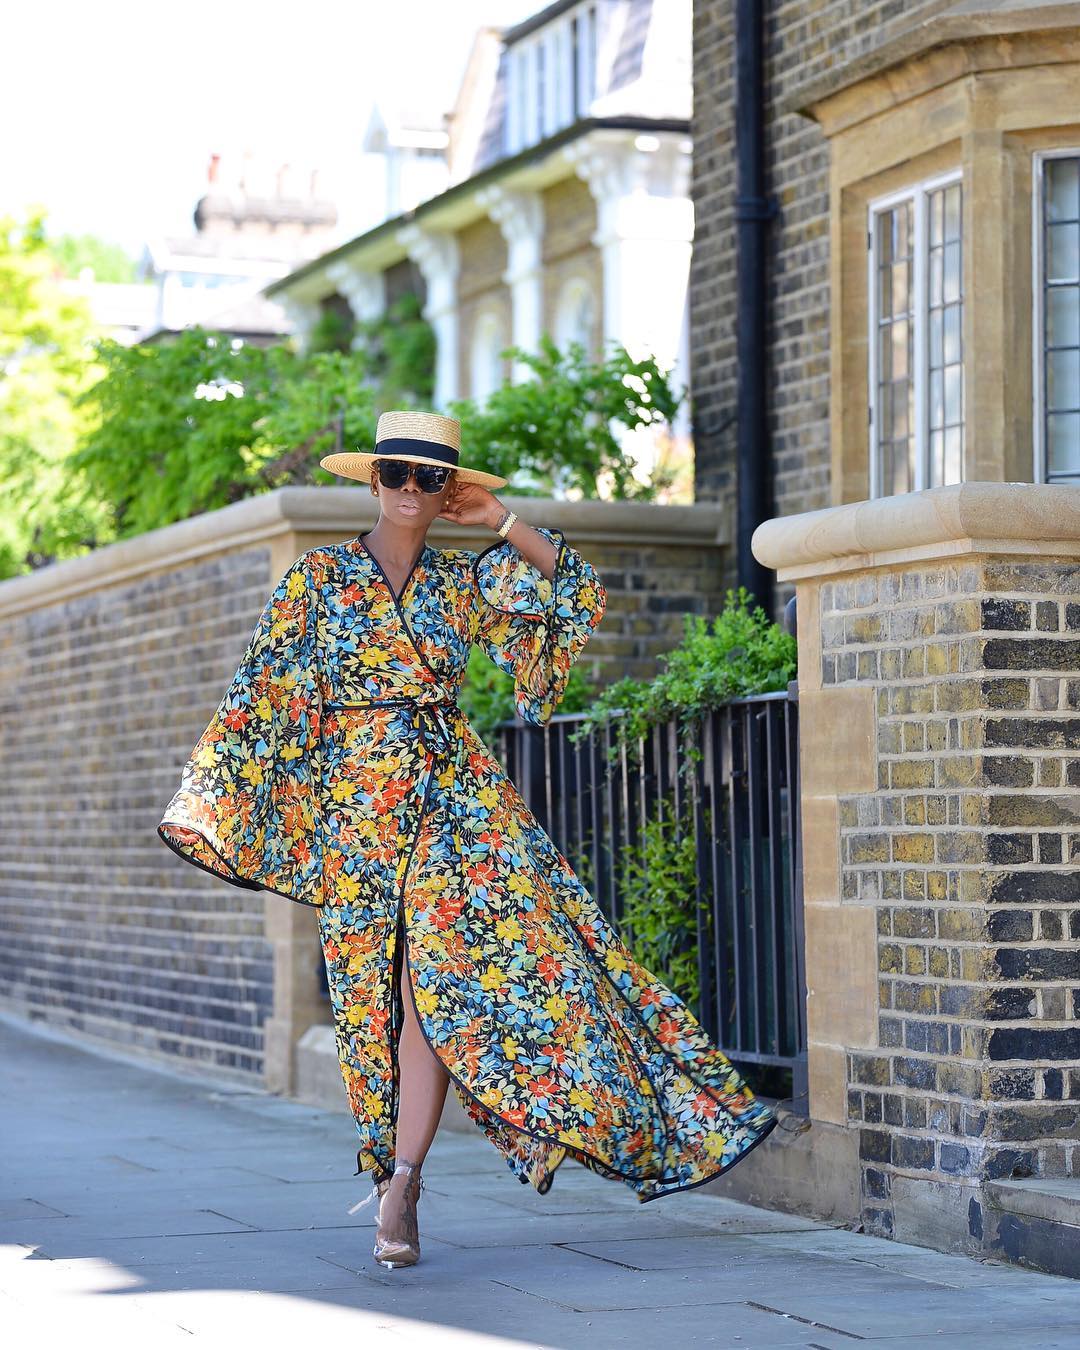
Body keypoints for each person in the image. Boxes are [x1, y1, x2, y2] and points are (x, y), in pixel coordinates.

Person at [157, 409, 777, 1271]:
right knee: (369, 999)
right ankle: (387, 1169)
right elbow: (262, 698)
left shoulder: (464, 582)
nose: (411, 489)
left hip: (456, 800)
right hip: (360, 808)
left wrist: (503, 521)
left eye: (430, 477)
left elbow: (576, 596)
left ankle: (404, 1184)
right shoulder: (317, 580)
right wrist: (222, 805)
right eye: (397, 474)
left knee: (437, 987)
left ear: (448, 487)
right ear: (374, 482)